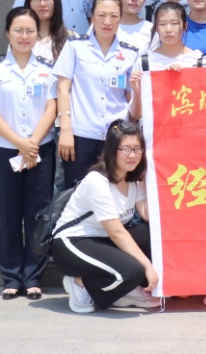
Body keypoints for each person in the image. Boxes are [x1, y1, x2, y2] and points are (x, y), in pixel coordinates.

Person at [0, 7, 59, 301]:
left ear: (37, 35)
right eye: (18, 31)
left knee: (37, 214)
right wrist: (19, 143)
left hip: (39, 151)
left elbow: (52, 107)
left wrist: (32, 143)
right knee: (8, 213)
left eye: (30, 31)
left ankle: (33, 277)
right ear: (7, 34)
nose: (24, 36)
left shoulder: (48, 69)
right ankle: (11, 276)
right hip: (4, 151)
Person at [51, 119, 160, 314]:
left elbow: (146, 214)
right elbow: (117, 232)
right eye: (126, 149)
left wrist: (149, 180)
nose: (132, 155)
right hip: (72, 243)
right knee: (133, 271)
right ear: (112, 150)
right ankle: (80, 283)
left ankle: (122, 291)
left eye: (137, 149)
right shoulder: (97, 181)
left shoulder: (133, 179)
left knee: (152, 236)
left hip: (103, 240)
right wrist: (148, 267)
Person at [53, 0, 142, 189]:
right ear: (92, 16)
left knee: (115, 192)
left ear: (120, 18)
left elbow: (131, 98)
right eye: (101, 15)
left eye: (113, 16)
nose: (107, 21)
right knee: (77, 192)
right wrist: (65, 130)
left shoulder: (130, 53)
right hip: (81, 134)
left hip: (116, 136)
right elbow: (62, 89)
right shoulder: (75, 47)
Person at [143, 2, 200, 74]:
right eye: (162, 24)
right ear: (156, 27)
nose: (168, 29)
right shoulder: (145, 62)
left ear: (185, 26)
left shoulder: (197, 60)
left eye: (174, 23)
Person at [25, 0, 71, 64]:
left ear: (56, 2)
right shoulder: (20, 38)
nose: (42, 4)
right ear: (29, 3)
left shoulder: (70, 38)